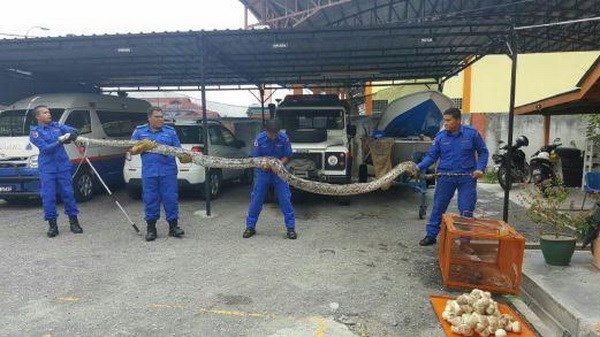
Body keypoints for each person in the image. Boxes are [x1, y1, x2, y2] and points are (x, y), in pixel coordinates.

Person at [416, 107, 489, 246]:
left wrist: (480, 169)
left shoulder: (472, 134)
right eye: (445, 120)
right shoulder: (440, 137)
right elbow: (432, 156)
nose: (445, 123)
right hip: (445, 178)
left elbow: (483, 152)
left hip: (467, 178)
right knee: (438, 207)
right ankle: (431, 236)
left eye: (448, 120)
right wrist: (418, 166)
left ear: (458, 120)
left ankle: (465, 240)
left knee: (466, 208)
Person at [130, 106, 191, 241]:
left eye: (162, 116)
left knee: (171, 199)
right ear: (149, 118)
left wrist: (185, 157)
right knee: (150, 199)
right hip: (149, 172)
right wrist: (140, 147)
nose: (160, 119)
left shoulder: (170, 132)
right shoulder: (140, 131)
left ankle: (173, 227)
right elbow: (130, 150)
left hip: (168, 172)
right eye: (157, 117)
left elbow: (178, 151)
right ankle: (151, 229)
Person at [29, 105, 83, 237]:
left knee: (68, 194)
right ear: (38, 116)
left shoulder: (58, 126)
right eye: (45, 112)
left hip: (63, 166)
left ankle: (74, 222)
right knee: (48, 196)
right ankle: (52, 226)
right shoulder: (35, 132)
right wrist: (60, 141)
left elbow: (75, 131)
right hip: (48, 168)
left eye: (49, 112)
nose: (49, 114)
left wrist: (72, 135)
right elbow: (46, 148)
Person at [244, 119, 297, 239]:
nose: (273, 136)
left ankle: (290, 228)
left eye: (275, 133)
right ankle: (250, 226)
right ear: (266, 131)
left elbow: (288, 156)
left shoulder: (284, 138)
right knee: (256, 198)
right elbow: (256, 158)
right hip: (263, 172)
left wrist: (276, 165)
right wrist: (265, 165)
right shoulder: (260, 139)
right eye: (271, 133)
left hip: (279, 172)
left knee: (285, 199)